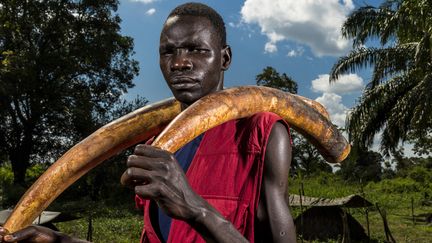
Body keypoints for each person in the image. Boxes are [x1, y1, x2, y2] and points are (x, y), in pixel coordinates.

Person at [0, 2, 296, 242]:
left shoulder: (262, 132)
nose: (180, 62)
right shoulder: (156, 148)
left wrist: (195, 209)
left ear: (225, 58)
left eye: (197, 49)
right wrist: (59, 240)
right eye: (168, 51)